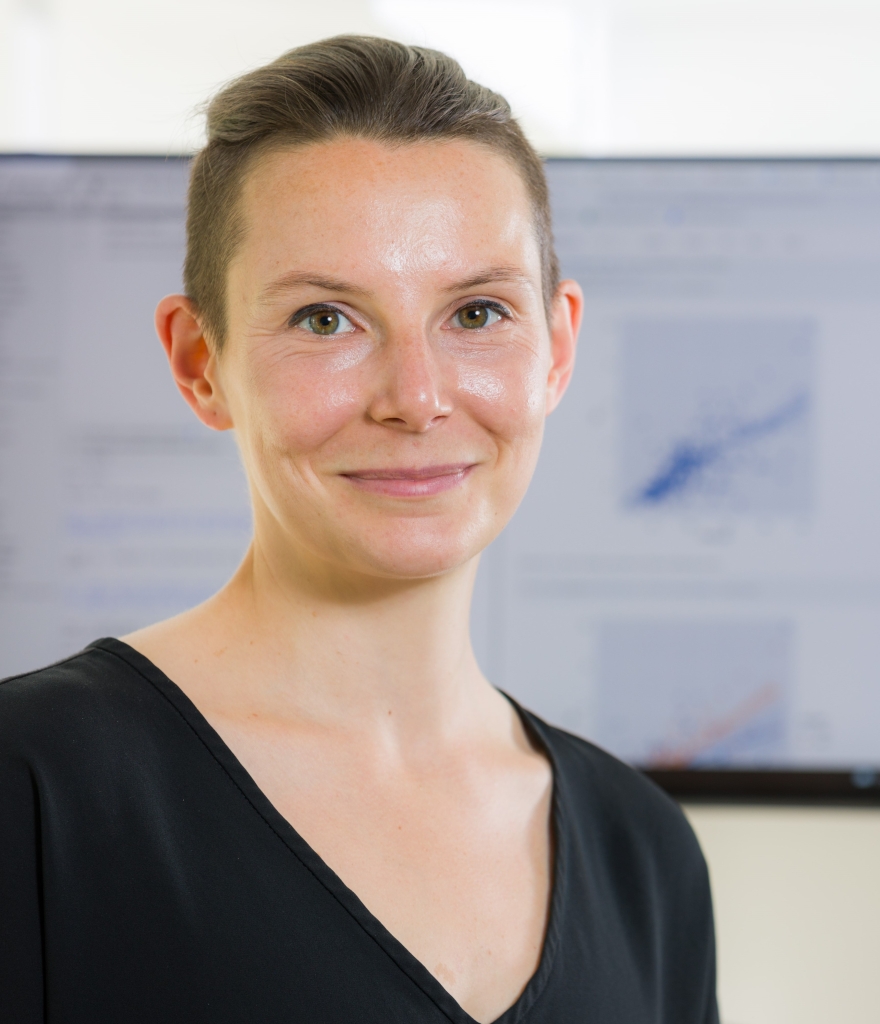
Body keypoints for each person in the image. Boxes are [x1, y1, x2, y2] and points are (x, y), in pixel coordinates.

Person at [0, 36, 718, 1024]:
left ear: (556, 349)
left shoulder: (643, 852)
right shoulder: (35, 786)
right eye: (325, 320)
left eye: (476, 313)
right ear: (200, 362)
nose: (415, 399)